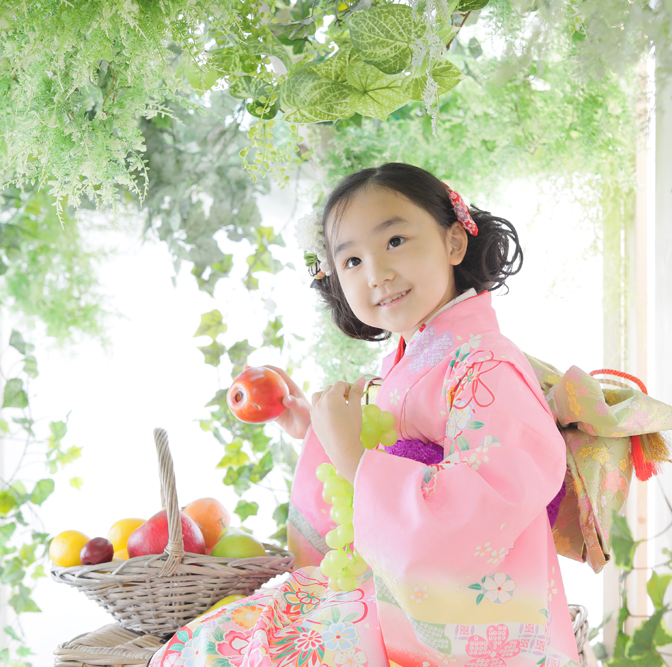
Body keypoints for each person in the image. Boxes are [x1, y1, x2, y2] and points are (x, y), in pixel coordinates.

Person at [148, 163, 579, 667]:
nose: (377, 273)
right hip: (397, 594)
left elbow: (481, 509)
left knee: (237, 651)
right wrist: (316, 430)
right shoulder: (414, 359)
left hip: (464, 618)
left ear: (454, 242)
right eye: (352, 260)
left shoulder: (487, 365)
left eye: (395, 241)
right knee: (217, 639)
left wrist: (354, 456)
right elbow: (381, 448)